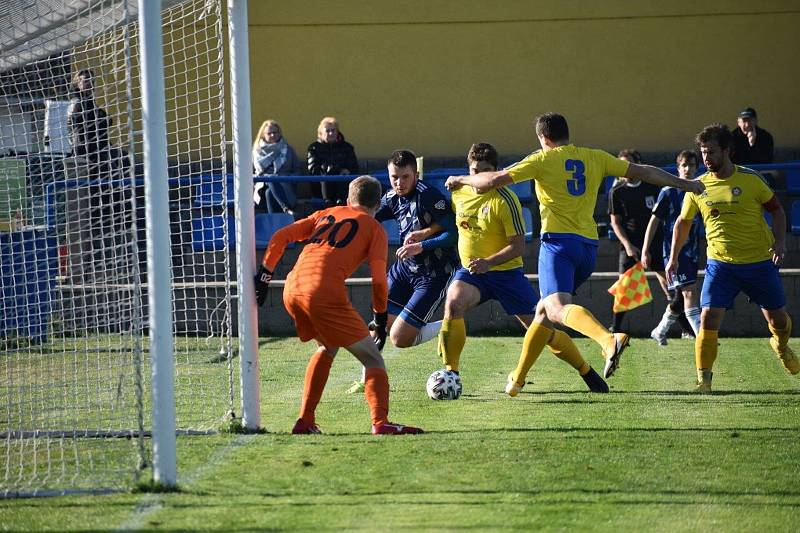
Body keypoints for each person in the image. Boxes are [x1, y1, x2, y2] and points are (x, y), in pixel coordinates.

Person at [445, 113, 704, 381]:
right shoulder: (595, 157)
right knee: (543, 313)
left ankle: (607, 340)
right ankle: (517, 379)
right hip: (588, 248)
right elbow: (645, 171)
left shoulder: (541, 159)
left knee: (556, 308)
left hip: (558, 246)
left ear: (543, 137)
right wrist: (687, 184)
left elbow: (489, 181)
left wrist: (460, 179)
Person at [253, 175, 423, 435]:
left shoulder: (328, 212)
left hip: (293, 287)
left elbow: (281, 235)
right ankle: (381, 423)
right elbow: (379, 280)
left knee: (327, 347)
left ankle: (305, 421)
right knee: (372, 358)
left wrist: (265, 276)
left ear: (348, 199)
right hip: (323, 292)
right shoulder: (374, 228)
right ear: (378, 205)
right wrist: (380, 319)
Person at [439, 142, 609, 395]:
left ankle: (585, 370)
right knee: (453, 302)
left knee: (543, 330)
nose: (479, 176)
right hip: (473, 273)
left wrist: (489, 262)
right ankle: (450, 372)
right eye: (475, 170)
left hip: (507, 275)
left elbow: (518, 247)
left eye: (485, 171)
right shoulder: (459, 193)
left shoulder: (506, 200)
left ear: (496, 171)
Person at [668, 123, 797, 393]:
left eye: (711, 152)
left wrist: (781, 243)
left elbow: (777, 211)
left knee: (778, 321)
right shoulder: (698, 186)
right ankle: (704, 381)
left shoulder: (751, 180)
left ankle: (781, 345)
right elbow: (683, 222)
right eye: (703, 152)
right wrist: (673, 257)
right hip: (721, 265)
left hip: (760, 262)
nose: (706, 158)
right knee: (708, 318)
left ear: (727, 151)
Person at [346, 150, 460, 394]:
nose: (399, 182)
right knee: (378, 324)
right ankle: (367, 380)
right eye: (394, 177)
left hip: (433, 274)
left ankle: (451, 324)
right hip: (404, 269)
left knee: (400, 338)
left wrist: (422, 243)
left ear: (416, 175)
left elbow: (453, 233)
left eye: (405, 177)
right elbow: (369, 216)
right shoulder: (391, 197)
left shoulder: (430, 196)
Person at [642, 150, 703, 344]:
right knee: (689, 292)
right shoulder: (668, 191)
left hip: (692, 250)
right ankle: (702, 337)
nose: (687, 169)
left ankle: (659, 331)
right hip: (674, 251)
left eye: (691, 165)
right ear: (678, 168)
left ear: (696, 167)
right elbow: (654, 221)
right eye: (684, 165)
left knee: (679, 298)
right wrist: (645, 249)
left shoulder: (699, 190)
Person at [607, 149, 669, 334]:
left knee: (669, 285)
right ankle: (615, 329)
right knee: (624, 288)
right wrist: (627, 246)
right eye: (621, 165)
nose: (625, 170)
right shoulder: (616, 191)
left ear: (637, 165)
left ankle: (685, 328)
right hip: (630, 246)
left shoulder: (651, 186)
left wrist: (649, 247)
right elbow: (615, 223)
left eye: (628, 165)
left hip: (654, 243)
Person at [67, 69, 114, 173]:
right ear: (77, 84)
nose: (90, 83)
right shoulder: (78, 102)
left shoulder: (89, 101)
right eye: (86, 80)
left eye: (92, 81)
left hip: (99, 149)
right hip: (88, 152)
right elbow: (84, 124)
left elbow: (104, 119)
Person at [252, 120, 301, 216]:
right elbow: (250, 173)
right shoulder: (256, 152)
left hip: (286, 188)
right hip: (261, 189)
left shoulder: (288, 150)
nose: (272, 135)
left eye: (275, 132)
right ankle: (286, 209)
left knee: (269, 192)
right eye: (269, 133)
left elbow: (298, 171)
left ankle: (276, 221)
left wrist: (287, 178)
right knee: (270, 179)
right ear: (263, 135)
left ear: (279, 133)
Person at [307, 117, 359, 206]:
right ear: (321, 133)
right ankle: (328, 202)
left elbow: (354, 166)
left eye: (333, 130)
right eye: (327, 131)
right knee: (326, 176)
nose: (331, 133)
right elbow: (312, 169)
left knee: (343, 177)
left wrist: (347, 170)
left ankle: (341, 203)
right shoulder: (314, 148)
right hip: (322, 186)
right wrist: (327, 169)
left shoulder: (347, 147)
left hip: (343, 185)